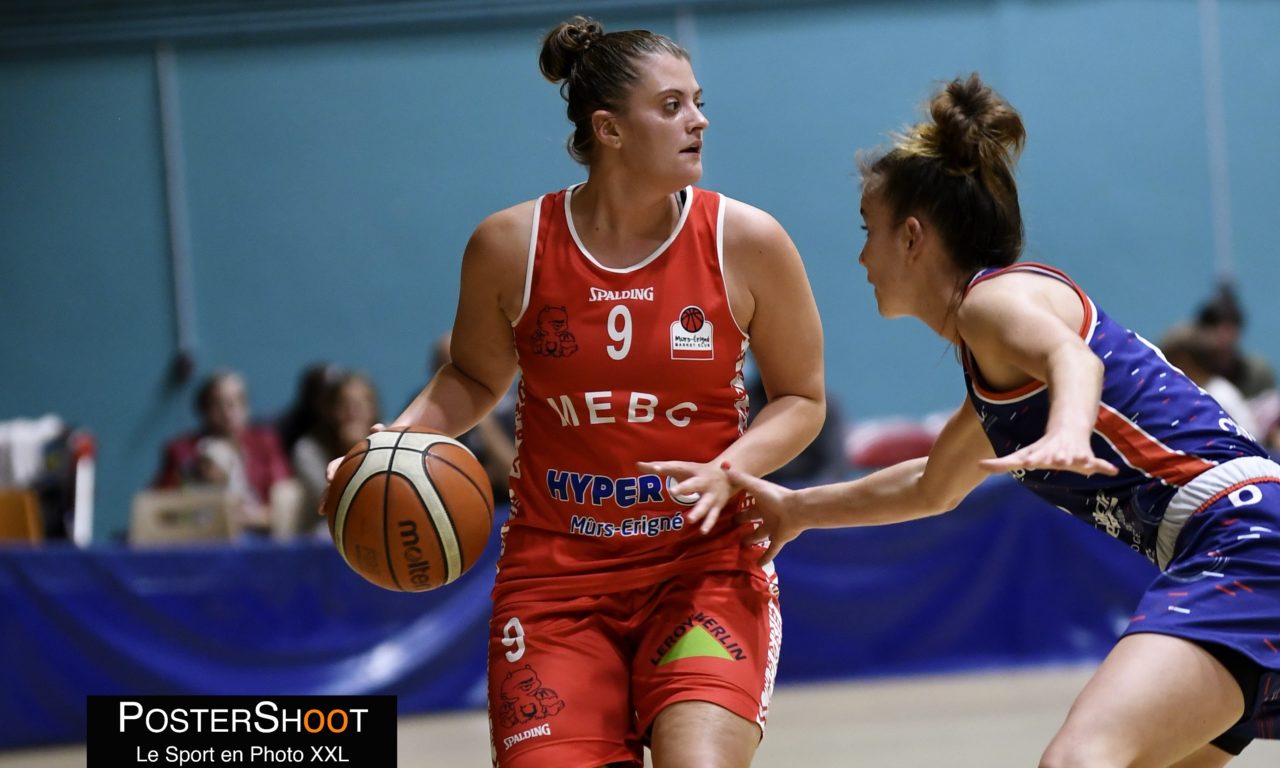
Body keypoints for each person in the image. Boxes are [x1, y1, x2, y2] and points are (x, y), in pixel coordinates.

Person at [724, 74, 1280, 767]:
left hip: (1244, 535)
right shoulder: (992, 371)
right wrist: (799, 509)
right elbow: (932, 485)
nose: (862, 257)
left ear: (913, 237)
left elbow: (1073, 362)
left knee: (1078, 760)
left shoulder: (994, 304)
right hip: (1240, 541)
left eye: (870, 232)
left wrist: (1071, 430)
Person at [330, 16, 826, 766]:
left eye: (697, 101)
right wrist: (392, 446)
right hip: (557, 583)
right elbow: (471, 377)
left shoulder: (747, 241)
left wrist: (731, 467)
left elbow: (802, 397)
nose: (699, 120)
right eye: (672, 106)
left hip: (702, 570)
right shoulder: (510, 245)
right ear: (610, 129)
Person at [154, 369, 293, 535]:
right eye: (218, 404)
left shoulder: (265, 444)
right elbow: (161, 509)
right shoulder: (182, 451)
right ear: (203, 409)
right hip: (201, 537)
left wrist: (256, 516)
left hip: (260, 536)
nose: (229, 412)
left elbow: (286, 500)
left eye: (237, 402)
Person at [429, 331, 517, 504]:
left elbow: (513, 479)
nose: (456, 376)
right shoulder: (428, 412)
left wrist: (483, 419)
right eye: (446, 367)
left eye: (460, 365)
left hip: (504, 509)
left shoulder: (514, 407)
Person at [292, 369, 381, 534]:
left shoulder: (390, 439)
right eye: (345, 404)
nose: (352, 412)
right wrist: (353, 449)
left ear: (374, 409)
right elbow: (333, 501)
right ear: (331, 410)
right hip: (326, 526)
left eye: (360, 404)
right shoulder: (308, 449)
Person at [1160, 322, 1260, 438]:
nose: (1166, 369)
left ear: (1183, 360)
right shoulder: (1199, 392)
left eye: (1169, 360)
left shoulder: (1219, 396)